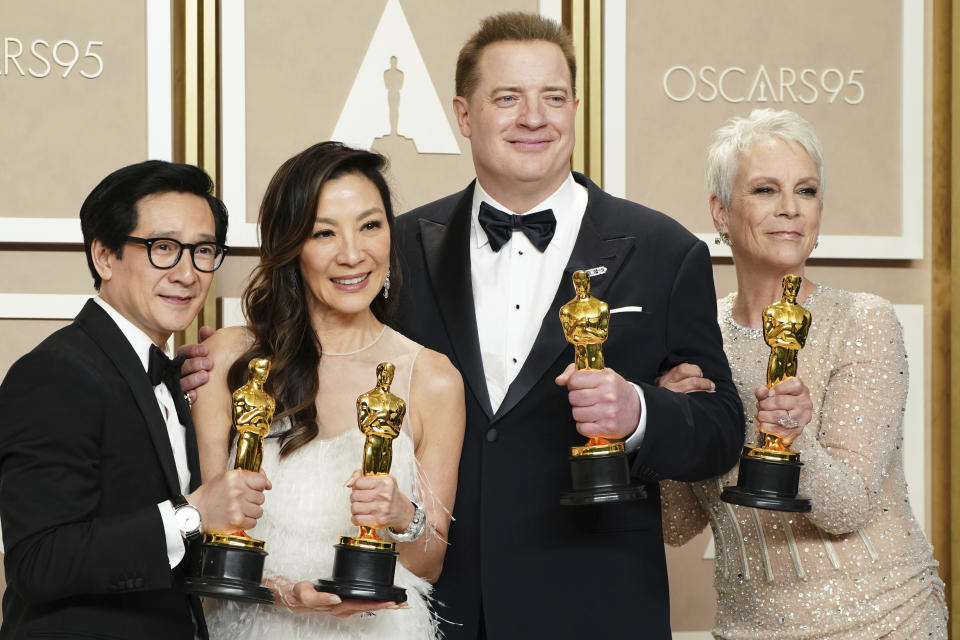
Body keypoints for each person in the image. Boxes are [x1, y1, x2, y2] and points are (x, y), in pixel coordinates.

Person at [391, 12, 743, 639]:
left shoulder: (664, 250)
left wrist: (638, 412)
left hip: (596, 602)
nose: (534, 118)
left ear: (575, 108)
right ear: (465, 114)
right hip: (434, 607)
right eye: (508, 98)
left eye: (553, 98)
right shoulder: (396, 247)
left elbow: (720, 430)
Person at [658, 108, 948, 639]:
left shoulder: (862, 321)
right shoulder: (695, 341)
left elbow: (848, 507)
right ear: (720, 212)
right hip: (747, 626)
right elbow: (678, 526)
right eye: (766, 190)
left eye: (807, 191)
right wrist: (666, 425)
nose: (790, 209)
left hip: (882, 621)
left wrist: (795, 440)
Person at [192, 142, 465, 639]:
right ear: (291, 245)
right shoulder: (228, 360)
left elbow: (428, 566)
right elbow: (210, 537)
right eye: (324, 232)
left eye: (370, 225)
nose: (353, 254)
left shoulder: (432, 377)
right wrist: (283, 591)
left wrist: (402, 515)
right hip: (256, 627)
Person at [0, 160, 270, 639]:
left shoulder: (174, 376)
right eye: (163, 248)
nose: (187, 273)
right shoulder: (55, 373)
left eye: (203, 250)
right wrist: (193, 515)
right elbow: (38, 561)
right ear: (104, 256)